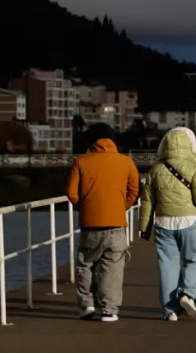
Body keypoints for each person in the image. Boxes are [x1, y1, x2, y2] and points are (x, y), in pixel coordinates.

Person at [66, 123, 140, 322]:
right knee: (113, 268)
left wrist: (87, 206)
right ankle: (109, 310)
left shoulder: (81, 162)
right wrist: (120, 206)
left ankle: (87, 305)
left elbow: (72, 194)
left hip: (90, 224)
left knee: (86, 264)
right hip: (116, 224)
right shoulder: (126, 162)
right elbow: (134, 191)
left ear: (91, 141)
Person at [138, 126, 196, 321]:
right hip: (189, 219)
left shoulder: (155, 170)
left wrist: (144, 227)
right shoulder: (193, 168)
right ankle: (188, 294)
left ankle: (170, 310)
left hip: (163, 222)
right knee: (195, 260)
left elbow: (147, 201)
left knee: (168, 265)